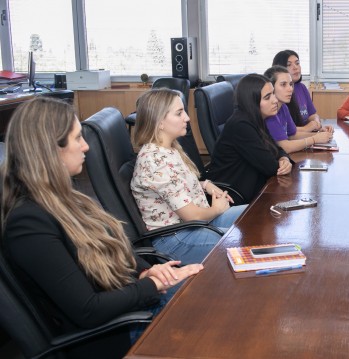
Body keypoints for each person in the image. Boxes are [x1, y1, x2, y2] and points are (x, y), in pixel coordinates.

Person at [1, 97, 203, 358]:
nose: (85, 146)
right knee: (212, 322)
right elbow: (88, 310)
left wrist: (145, 271)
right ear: (50, 149)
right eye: (77, 139)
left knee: (211, 303)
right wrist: (152, 285)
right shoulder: (29, 223)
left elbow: (107, 250)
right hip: (114, 335)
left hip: (127, 311)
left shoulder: (64, 198)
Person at [131, 89, 246, 264]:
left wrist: (205, 184)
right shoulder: (155, 159)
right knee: (241, 241)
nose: (187, 117)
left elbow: (175, 183)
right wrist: (217, 209)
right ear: (159, 122)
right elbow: (191, 215)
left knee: (253, 218)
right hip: (176, 238)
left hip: (194, 226)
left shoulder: (168, 148)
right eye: (179, 113)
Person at [209, 74, 293, 205]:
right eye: (267, 97)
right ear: (252, 102)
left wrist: (284, 158)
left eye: (273, 94)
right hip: (231, 197)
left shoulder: (256, 117)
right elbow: (271, 167)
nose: (275, 100)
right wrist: (281, 163)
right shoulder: (241, 125)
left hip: (252, 188)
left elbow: (276, 148)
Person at [263, 66, 334, 154]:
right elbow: (286, 147)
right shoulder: (269, 113)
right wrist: (314, 139)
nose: (290, 89)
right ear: (271, 87)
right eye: (283, 84)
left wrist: (320, 135)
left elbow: (292, 135)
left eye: (290, 84)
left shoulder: (283, 107)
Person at [272, 49, 323, 132]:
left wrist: (316, 123)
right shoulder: (278, 92)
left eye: (297, 63)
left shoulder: (302, 87)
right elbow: (286, 130)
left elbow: (312, 114)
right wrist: (310, 131)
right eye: (289, 65)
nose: (295, 67)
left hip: (304, 135)